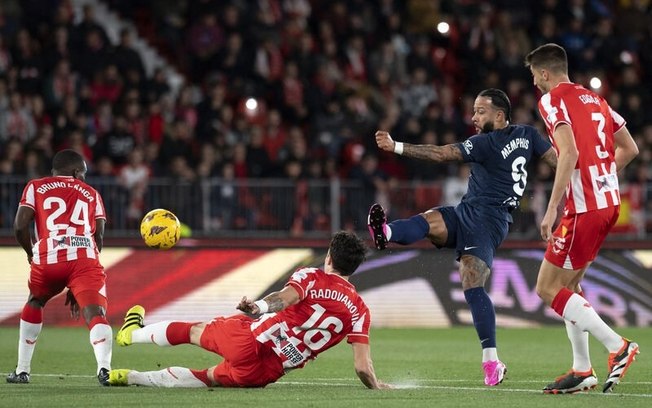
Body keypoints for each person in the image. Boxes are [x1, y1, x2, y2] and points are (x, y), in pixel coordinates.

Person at [367, 88, 557, 386]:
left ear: (499, 114)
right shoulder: (529, 135)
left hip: (488, 220)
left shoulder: (485, 144)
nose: (474, 117)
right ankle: (386, 232)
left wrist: (396, 147)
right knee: (430, 221)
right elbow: (559, 161)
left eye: (480, 111)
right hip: (469, 209)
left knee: (472, 282)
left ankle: (491, 361)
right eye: (473, 110)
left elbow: (443, 154)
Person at [108, 231, 392, 390]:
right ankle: (133, 378)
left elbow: (286, 298)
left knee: (195, 332)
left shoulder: (312, 276)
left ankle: (131, 335)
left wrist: (259, 306)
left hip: (251, 340)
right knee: (206, 378)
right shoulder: (360, 310)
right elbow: (361, 367)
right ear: (354, 268)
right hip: (266, 373)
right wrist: (377, 385)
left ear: (329, 256)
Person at [525, 43, 640, 394]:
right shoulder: (597, 100)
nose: (534, 84)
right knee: (570, 286)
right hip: (608, 204)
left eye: (534, 76)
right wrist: (600, 176)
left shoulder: (551, 100)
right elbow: (630, 148)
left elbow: (570, 152)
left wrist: (551, 206)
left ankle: (617, 345)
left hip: (584, 207)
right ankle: (582, 369)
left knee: (546, 287)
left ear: (545, 73)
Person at [6, 149, 113, 385]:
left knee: (35, 300)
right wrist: (78, 285)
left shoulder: (35, 187)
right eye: (83, 174)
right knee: (96, 313)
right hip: (85, 257)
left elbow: (19, 226)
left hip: (48, 256)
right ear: (76, 172)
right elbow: (99, 238)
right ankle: (105, 370)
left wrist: (31, 252)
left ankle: (22, 371)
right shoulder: (92, 193)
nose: (84, 178)